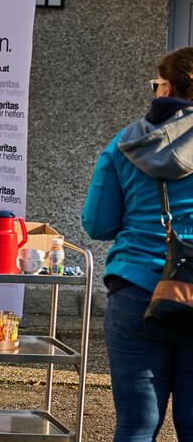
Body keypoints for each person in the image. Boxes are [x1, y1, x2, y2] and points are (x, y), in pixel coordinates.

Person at [82, 46, 193, 441]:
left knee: (136, 425)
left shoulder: (125, 142)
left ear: (168, 87)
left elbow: (97, 223)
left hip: (135, 293)